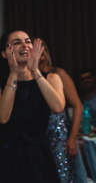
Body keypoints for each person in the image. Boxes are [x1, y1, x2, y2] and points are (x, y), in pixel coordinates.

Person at [0, 30, 65, 183]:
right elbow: (3, 117)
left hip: (39, 154)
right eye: (17, 42)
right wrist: (14, 73)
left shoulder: (52, 77)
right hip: (8, 155)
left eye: (28, 41)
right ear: (4, 54)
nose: (25, 45)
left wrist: (35, 71)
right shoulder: (2, 83)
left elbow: (58, 107)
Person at [40, 41, 83, 183]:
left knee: (63, 175)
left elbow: (77, 105)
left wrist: (72, 138)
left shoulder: (57, 73)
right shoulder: (27, 77)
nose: (40, 55)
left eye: (43, 51)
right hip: (38, 135)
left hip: (58, 134)